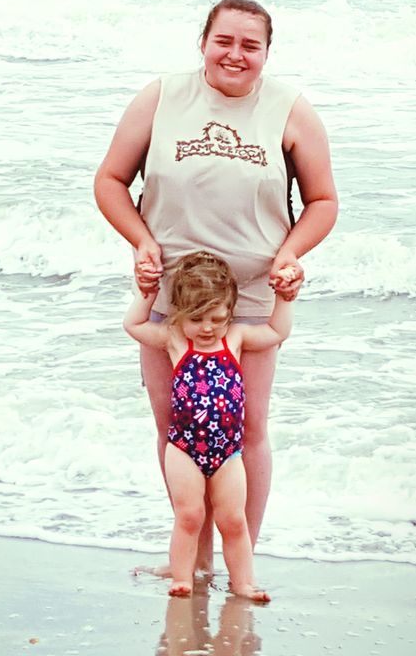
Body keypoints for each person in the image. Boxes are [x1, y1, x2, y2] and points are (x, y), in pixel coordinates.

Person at [95, 0, 337, 566]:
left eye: (250, 45)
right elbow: (109, 180)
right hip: (171, 297)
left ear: (267, 52)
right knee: (175, 427)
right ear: (203, 42)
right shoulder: (162, 97)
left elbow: (323, 202)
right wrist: (142, 240)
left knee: (246, 429)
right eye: (223, 41)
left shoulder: (290, 109)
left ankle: (239, 560)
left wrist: (291, 255)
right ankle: (193, 556)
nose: (235, 54)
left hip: (250, 300)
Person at [124, 251, 292, 601]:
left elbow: (277, 331)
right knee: (189, 516)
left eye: (216, 318)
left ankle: (243, 582)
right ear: (180, 314)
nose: (207, 328)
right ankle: (183, 577)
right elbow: (134, 326)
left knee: (233, 521)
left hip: (228, 452)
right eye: (197, 318)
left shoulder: (235, 339)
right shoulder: (174, 340)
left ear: (229, 313)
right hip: (184, 448)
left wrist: (284, 296)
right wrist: (148, 291)